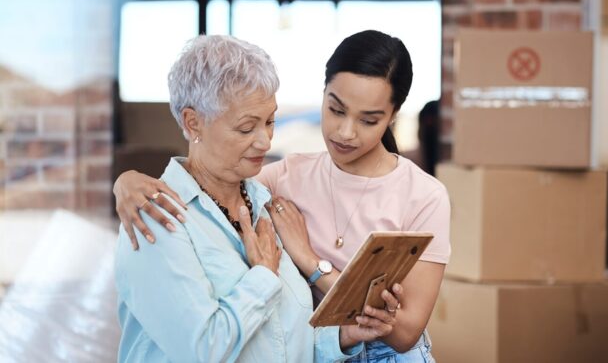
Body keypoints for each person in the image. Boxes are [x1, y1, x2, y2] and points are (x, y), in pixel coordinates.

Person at [114, 30, 450, 362]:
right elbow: (205, 348)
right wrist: (125, 181)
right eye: (247, 128)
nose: (265, 142)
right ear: (192, 122)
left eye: (271, 122)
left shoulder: (266, 203)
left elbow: (286, 339)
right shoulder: (160, 217)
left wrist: (343, 335)